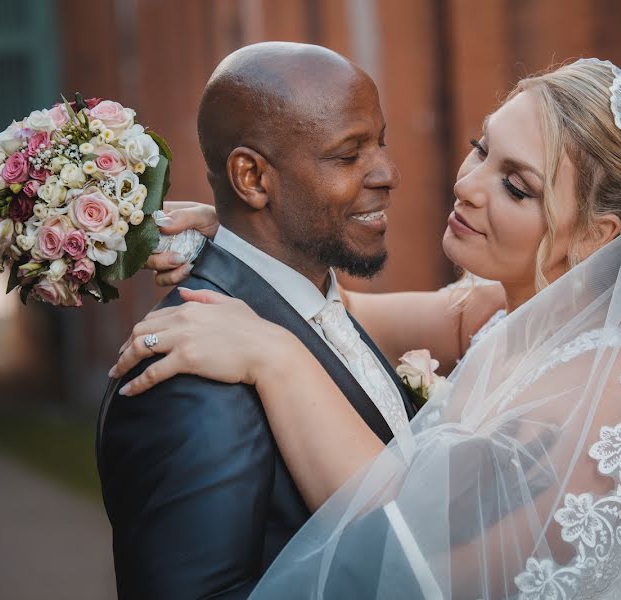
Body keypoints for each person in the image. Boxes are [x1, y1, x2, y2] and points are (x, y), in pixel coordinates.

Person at [113, 59, 621, 598]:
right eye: (482, 149)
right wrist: (243, 232)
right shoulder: (504, 311)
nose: (469, 184)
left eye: (516, 185)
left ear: (595, 236)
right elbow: (334, 313)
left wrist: (273, 359)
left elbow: (415, 568)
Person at [96, 42, 421, 599]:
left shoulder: (309, 307)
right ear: (251, 178)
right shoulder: (193, 373)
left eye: (380, 143)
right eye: (349, 155)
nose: (387, 173)